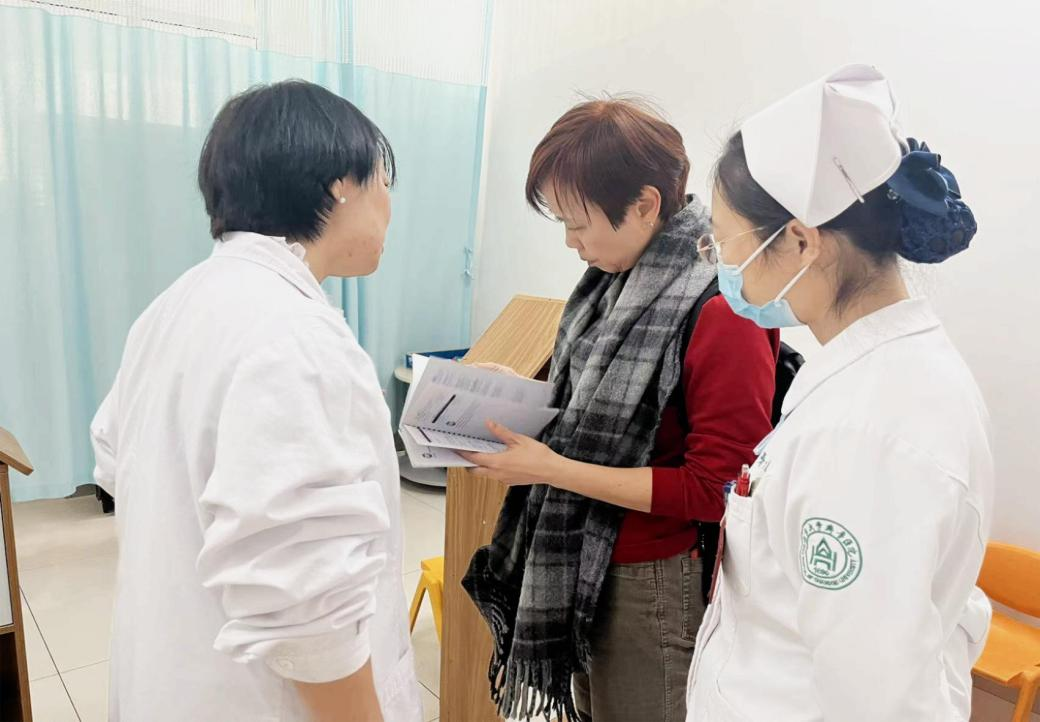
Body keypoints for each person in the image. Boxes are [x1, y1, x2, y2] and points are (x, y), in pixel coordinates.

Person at [90, 80, 423, 722]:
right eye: (384, 182)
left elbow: (112, 459)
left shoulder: (175, 305)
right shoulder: (293, 333)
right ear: (341, 185)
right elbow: (311, 616)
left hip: (171, 674)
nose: (389, 205)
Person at [686, 64, 993, 721]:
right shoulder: (869, 379)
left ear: (800, 240)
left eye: (725, 241)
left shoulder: (870, 431)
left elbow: (876, 698)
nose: (721, 263)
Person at [460, 98, 779, 722]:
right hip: (585, 558)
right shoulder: (613, 281)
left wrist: (551, 469)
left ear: (646, 205)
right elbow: (594, 405)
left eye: (579, 223)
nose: (570, 241)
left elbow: (715, 488)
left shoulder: (722, 308)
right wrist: (520, 388)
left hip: (651, 581)